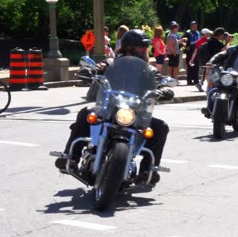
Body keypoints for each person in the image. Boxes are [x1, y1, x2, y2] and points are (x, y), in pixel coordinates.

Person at [56, 29, 169, 185]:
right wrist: (90, 71)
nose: (145, 49)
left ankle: (148, 170)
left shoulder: (148, 69)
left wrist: (164, 90)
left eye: (146, 46)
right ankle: (70, 157)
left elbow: (157, 80)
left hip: (135, 112)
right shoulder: (112, 62)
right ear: (129, 46)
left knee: (161, 127)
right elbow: (99, 67)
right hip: (110, 107)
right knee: (85, 114)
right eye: (141, 46)